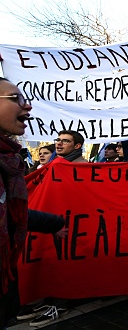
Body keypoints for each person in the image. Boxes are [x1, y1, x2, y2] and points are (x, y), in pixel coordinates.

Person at [0, 77, 33, 328]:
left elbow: (12, 214)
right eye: (16, 99)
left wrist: (55, 223)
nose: (28, 106)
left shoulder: (8, 160)